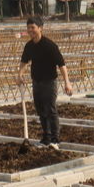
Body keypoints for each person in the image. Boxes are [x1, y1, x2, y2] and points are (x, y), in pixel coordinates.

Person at [18, 16, 73, 150]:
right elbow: (24, 62)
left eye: (33, 28)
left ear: (40, 28)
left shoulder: (50, 45)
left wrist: (67, 82)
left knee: (50, 110)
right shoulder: (29, 46)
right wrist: (19, 75)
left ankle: (55, 139)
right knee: (40, 110)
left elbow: (61, 64)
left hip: (49, 82)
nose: (30, 30)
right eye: (28, 28)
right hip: (36, 82)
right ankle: (46, 137)